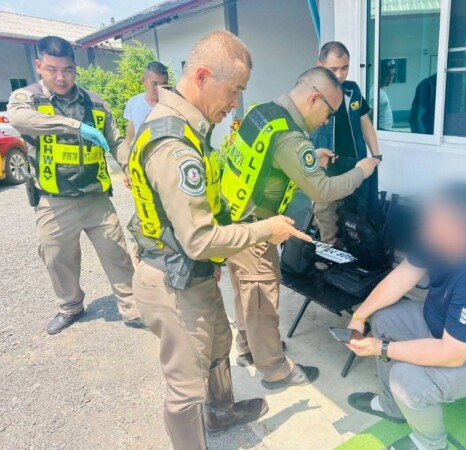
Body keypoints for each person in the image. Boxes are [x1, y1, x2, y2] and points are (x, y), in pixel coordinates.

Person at [128, 31, 311, 449]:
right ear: (203, 76)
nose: (235, 104)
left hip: (192, 272)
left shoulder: (190, 130)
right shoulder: (175, 144)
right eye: (234, 91)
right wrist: (266, 229)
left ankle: (222, 412)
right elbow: (199, 238)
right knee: (186, 385)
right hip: (173, 279)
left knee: (218, 345)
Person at [221, 67, 379, 389]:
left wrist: (310, 158)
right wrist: (362, 170)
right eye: (329, 113)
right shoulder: (292, 138)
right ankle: (276, 370)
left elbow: (267, 161)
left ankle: (249, 347)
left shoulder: (262, 113)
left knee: (244, 291)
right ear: (314, 98)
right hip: (256, 229)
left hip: (232, 217)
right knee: (262, 301)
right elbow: (323, 191)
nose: (327, 121)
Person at [345, 182, 466, 450]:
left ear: (464, 229)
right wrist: (360, 314)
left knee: (407, 380)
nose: (425, 228)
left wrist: (381, 347)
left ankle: (430, 443)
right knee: (383, 318)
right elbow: (400, 279)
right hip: (445, 325)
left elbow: (452, 354)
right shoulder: (437, 238)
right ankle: (392, 407)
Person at [7, 35, 144, 335]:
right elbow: (18, 119)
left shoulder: (95, 102)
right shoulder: (27, 98)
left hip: (96, 199)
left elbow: (116, 141)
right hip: (55, 200)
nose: (61, 77)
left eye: (68, 69)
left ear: (75, 68)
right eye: (52, 69)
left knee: (117, 255)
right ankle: (70, 305)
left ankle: (132, 308)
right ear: (38, 66)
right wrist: (73, 126)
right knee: (57, 258)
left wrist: (133, 170)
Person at [312, 41, 382, 245]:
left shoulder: (352, 90)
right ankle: (328, 248)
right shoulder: (311, 95)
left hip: (354, 161)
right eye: (333, 69)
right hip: (326, 162)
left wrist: (376, 155)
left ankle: (355, 247)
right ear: (320, 66)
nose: (340, 74)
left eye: (345, 68)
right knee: (325, 210)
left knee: (356, 209)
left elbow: (365, 123)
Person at [124, 61, 169, 147]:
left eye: (163, 84)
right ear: (143, 81)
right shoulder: (133, 103)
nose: (159, 88)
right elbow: (130, 137)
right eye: (155, 84)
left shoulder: (172, 105)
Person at [371, 59, 395, 130]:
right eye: (388, 75)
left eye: (392, 75)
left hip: (386, 131)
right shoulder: (375, 92)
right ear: (380, 75)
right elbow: (370, 118)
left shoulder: (381, 90)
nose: (391, 78)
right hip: (381, 132)